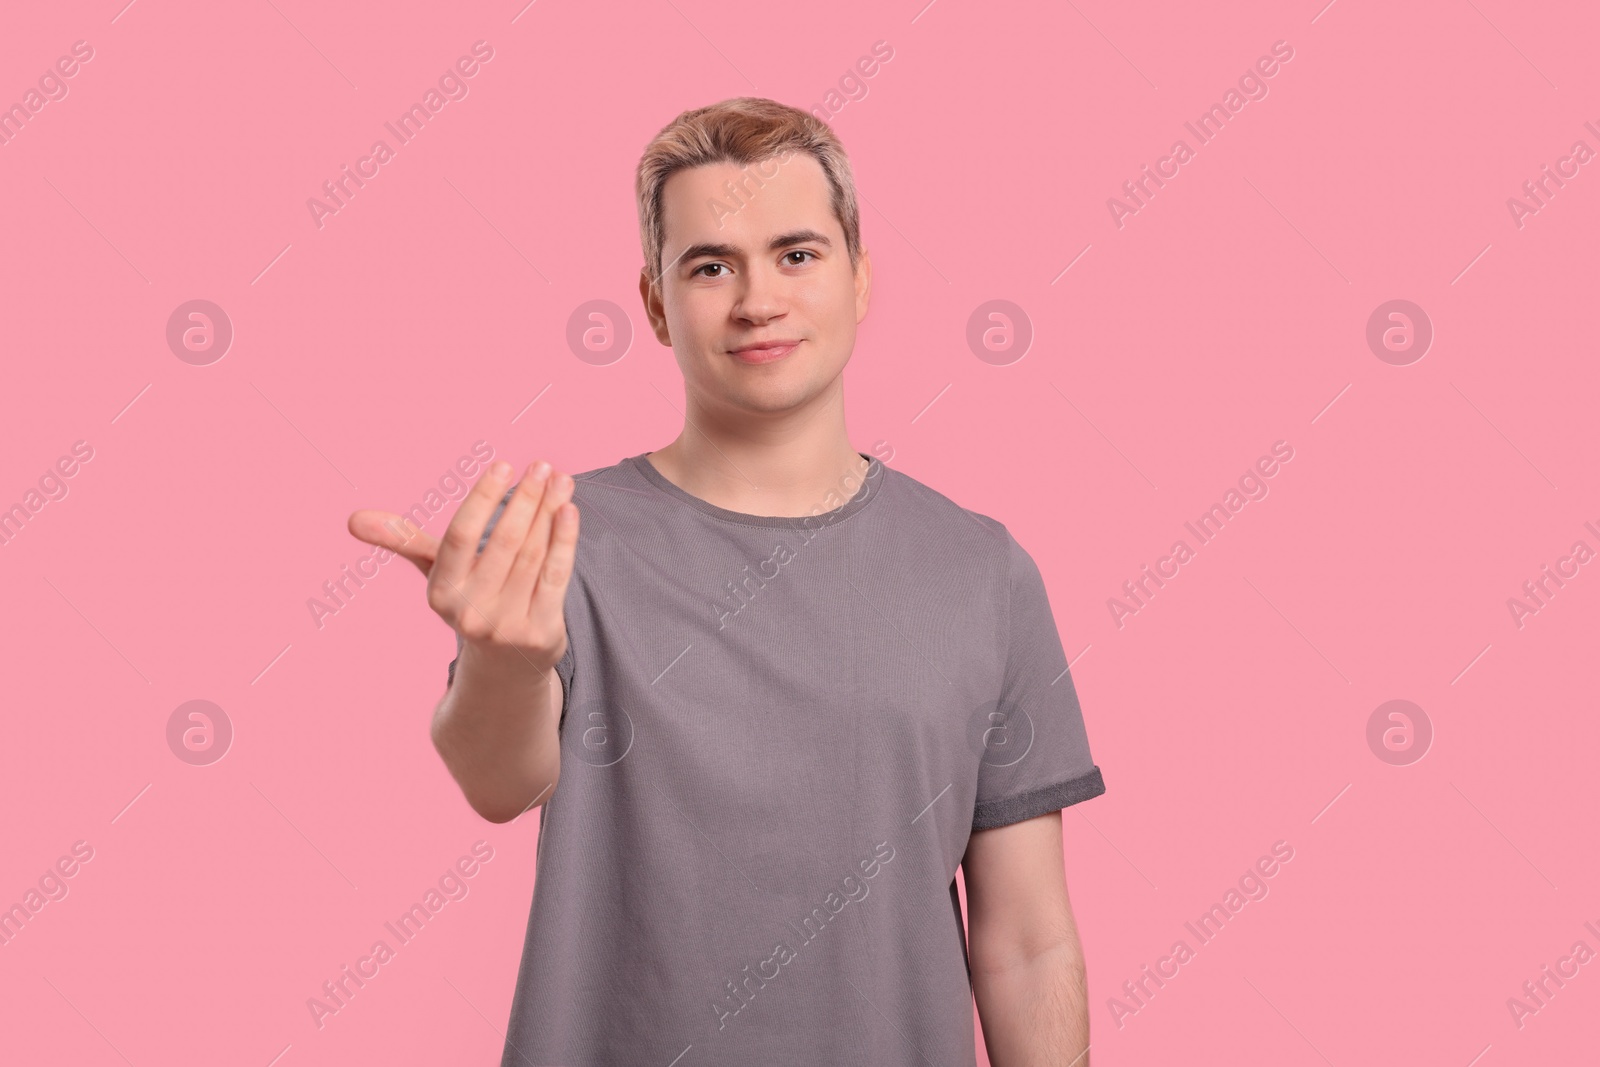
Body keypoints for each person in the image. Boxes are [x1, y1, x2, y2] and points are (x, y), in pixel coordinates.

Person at [348, 95, 1105, 1067]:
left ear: (860, 276)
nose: (758, 299)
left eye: (797, 253)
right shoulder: (560, 545)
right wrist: (500, 659)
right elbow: (498, 780)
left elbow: (1028, 940)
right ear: (656, 302)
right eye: (710, 265)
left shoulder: (980, 571)